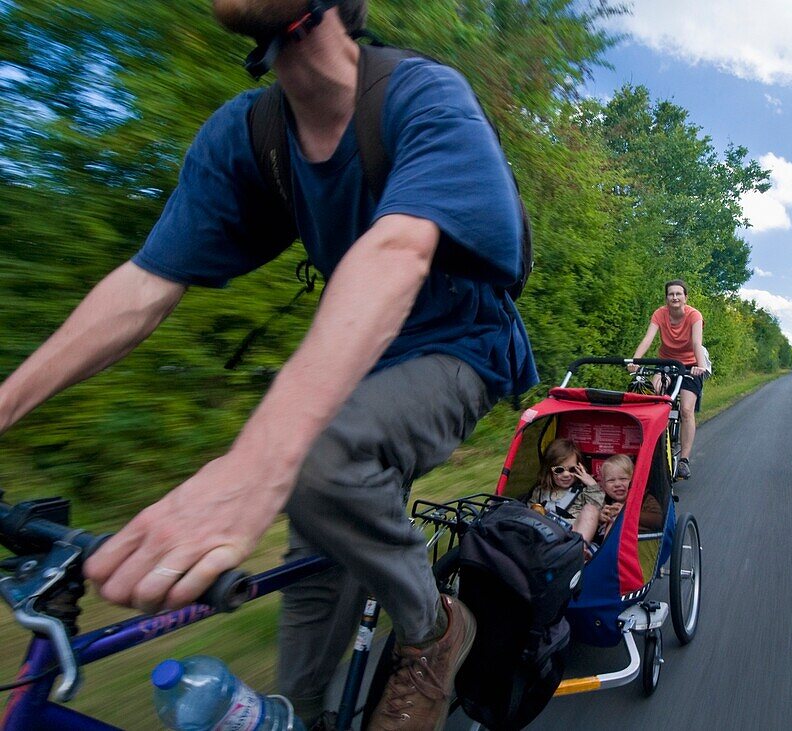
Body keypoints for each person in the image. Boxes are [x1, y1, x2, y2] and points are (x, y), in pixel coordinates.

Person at [0, 2, 537, 729]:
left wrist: (259, 464)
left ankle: (434, 630)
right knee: (310, 598)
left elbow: (398, 251)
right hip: (354, 364)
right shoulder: (249, 136)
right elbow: (145, 286)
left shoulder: (423, 96)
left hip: (459, 346)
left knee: (320, 464)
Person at [630, 279, 706, 479]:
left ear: (685, 297)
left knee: (687, 409)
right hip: (666, 362)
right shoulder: (659, 314)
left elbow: (697, 342)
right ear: (666, 298)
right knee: (655, 395)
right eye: (671, 294)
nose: (675, 297)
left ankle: (684, 461)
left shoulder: (694, 315)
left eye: (678, 294)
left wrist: (700, 366)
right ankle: (654, 446)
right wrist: (635, 361)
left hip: (690, 365)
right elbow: (648, 338)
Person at [528, 438, 602, 543]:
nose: (567, 475)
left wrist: (592, 485)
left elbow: (596, 510)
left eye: (572, 469)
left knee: (590, 510)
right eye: (559, 470)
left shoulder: (584, 492)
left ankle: (580, 549)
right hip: (545, 536)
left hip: (572, 538)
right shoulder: (539, 492)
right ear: (549, 470)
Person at [595, 454, 662, 540]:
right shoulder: (605, 501)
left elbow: (658, 521)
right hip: (602, 545)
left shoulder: (645, 499)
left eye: (623, 479)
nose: (617, 484)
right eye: (611, 480)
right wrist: (600, 519)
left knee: (616, 522)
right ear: (604, 485)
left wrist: (627, 512)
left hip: (633, 545)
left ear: (634, 481)